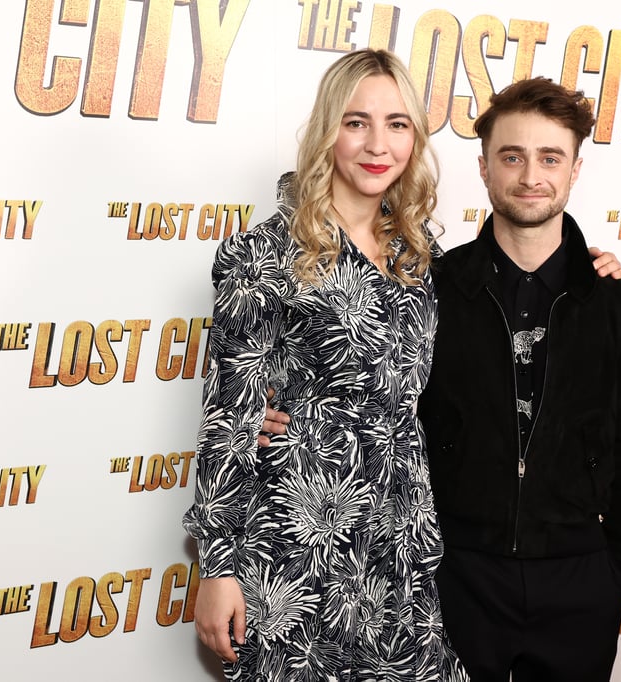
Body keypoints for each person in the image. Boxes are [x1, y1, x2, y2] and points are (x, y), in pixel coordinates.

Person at [181, 48, 466, 681]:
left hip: (399, 550)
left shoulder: (420, 257)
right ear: (327, 130)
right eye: (356, 121)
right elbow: (230, 420)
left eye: (397, 124)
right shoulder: (264, 254)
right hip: (298, 554)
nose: (377, 144)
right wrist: (219, 568)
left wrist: (596, 270)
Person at [415, 77, 621, 681]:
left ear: (575, 169)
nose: (531, 175)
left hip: (580, 580)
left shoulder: (620, 308)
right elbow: (382, 412)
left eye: (550, 157)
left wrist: (616, 570)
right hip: (456, 575)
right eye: (513, 156)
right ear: (483, 168)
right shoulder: (429, 294)